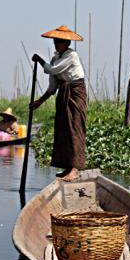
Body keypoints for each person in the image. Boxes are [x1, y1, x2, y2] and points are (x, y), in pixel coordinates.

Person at [30, 25, 87, 182]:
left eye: (60, 41)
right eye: (55, 41)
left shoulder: (71, 55)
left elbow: (53, 70)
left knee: (74, 127)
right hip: (63, 93)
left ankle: (75, 169)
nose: (57, 44)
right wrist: (39, 101)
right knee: (63, 129)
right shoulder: (56, 59)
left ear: (67, 44)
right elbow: (53, 86)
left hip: (75, 92)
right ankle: (68, 167)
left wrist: (40, 60)